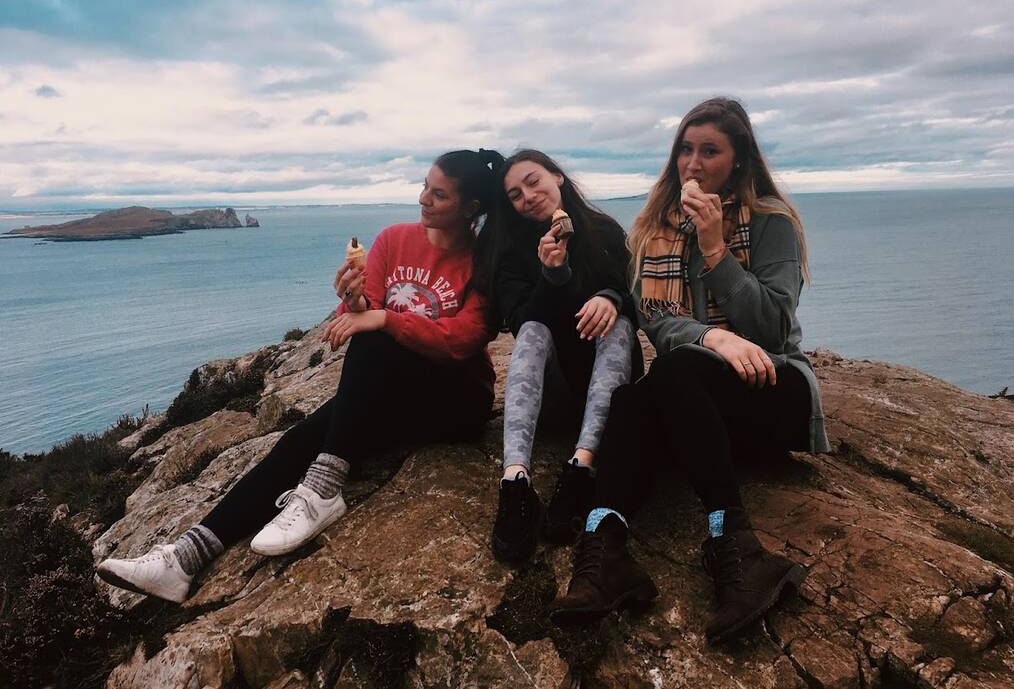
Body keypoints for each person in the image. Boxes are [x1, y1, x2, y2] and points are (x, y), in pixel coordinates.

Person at [97, 149, 503, 603]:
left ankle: (322, 493)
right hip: (398, 392)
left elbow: (462, 339)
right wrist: (354, 302)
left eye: (439, 194)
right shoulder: (394, 239)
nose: (423, 198)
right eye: (425, 185)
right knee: (307, 436)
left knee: (373, 343)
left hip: (458, 400)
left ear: (471, 209)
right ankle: (185, 558)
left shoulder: (484, 262)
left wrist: (382, 320)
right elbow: (359, 313)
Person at [550, 98, 829, 645]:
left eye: (709, 151)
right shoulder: (653, 231)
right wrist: (710, 336)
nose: (692, 164)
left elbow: (772, 328)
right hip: (698, 403)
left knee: (676, 373)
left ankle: (737, 547)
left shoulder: (773, 223)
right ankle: (605, 547)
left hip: (774, 387)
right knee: (633, 399)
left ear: (739, 161)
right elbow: (656, 324)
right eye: (685, 149)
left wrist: (715, 249)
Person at [478, 150, 643, 564]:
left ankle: (582, 467)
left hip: (608, 387)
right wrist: (554, 276)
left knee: (619, 323)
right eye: (515, 194)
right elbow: (521, 321)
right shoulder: (514, 252)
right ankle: (515, 481)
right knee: (535, 330)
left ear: (558, 177)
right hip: (553, 390)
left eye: (534, 182)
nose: (528, 196)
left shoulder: (603, 231)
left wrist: (612, 298)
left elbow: (640, 292)